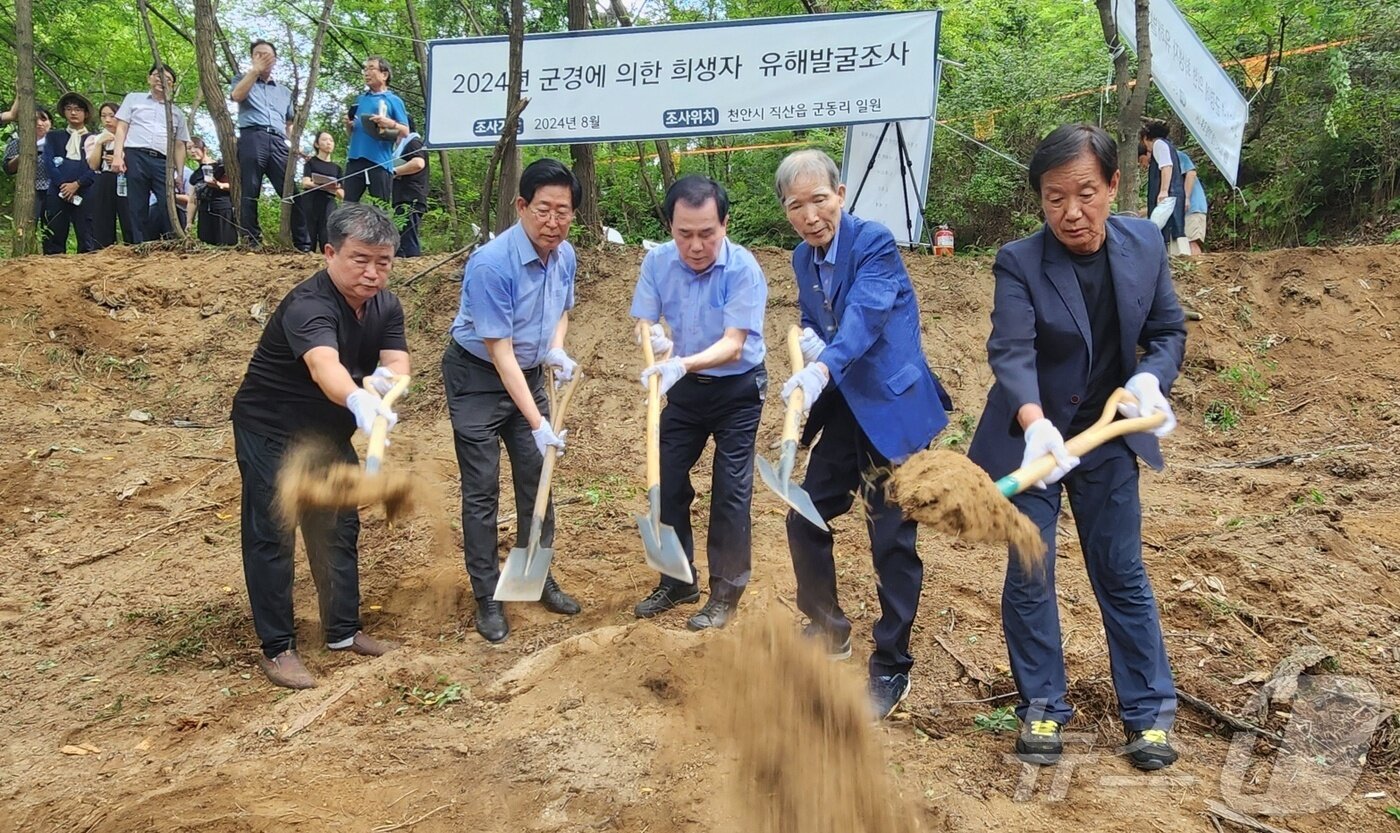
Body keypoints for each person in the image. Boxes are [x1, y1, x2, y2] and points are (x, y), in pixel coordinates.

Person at [965, 123, 1186, 771]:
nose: (1071, 212)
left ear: (1114, 185)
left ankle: (1148, 714)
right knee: (1030, 571)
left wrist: (1150, 378)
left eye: (1086, 193)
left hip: (1108, 435)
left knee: (1120, 571)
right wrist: (1035, 423)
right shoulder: (1020, 261)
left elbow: (1167, 330)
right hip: (1032, 437)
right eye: (1054, 197)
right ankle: (1040, 705)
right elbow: (1010, 348)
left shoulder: (1144, 243)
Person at [773, 148, 952, 720]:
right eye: (796, 206)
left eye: (819, 200)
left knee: (890, 536)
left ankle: (892, 663)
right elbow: (817, 319)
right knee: (805, 515)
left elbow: (867, 316)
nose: (810, 215)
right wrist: (809, 353)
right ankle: (828, 629)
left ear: (841, 194)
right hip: (847, 407)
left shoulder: (873, 241)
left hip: (891, 410)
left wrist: (824, 363)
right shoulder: (803, 258)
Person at [230, 203, 408, 690]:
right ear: (330, 253)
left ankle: (343, 633)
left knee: (337, 524)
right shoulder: (309, 304)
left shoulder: (386, 305)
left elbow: (397, 362)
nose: (372, 273)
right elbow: (323, 366)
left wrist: (388, 388)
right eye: (360, 259)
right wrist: (356, 395)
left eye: (383, 262)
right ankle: (278, 647)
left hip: (328, 432)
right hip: (271, 428)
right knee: (274, 530)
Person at [442, 158, 583, 644]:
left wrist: (556, 347)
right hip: (477, 377)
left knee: (537, 479)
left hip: (526, 372)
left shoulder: (565, 255)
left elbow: (562, 310)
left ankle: (537, 575)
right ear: (521, 206)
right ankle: (487, 595)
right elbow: (498, 353)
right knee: (482, 490)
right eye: (543, 209)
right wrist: (537, 420)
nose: (553, 221)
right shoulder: (491, 264)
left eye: (563, 211)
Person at [630, 175, 768, 631]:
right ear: (669, 225)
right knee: (667, 481)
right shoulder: (657, 263)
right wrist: (653, 341)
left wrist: (680, 363)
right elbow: (646, 321)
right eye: (684, 233)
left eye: (707, 233)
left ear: (725, 223)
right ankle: (677, 580)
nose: (695, 245)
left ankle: (724, 593)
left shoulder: (743, 269)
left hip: (738, 390)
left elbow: (733, 344)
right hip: (685, 391)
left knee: (730, 492)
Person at [229, 39, 311, 251]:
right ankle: (252, 241)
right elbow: (236, 96)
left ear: (275, 60)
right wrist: (254, 71)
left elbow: (289, 123)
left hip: (277, 141)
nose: (263, 58)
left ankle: (302, 244)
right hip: (252, 137)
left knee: (291, 191)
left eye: (267, 55)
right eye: (258, 54)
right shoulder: (241, 79)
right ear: (252, 58)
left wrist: (295, 146)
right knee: (250, 189)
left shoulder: (283, 91)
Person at [112, 64, 190, 242]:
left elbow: (179, 145)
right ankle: (139, 244)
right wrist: (118, 155)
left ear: (172, 85)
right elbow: (121, 128)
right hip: (135, 155)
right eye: (157, 75)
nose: (161, 80)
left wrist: (179, 172)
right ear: (149, 78)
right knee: (136, 202)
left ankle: (172, 241)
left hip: (163, 161)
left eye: (168, 79)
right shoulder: (133, 99)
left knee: (167, 201)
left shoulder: (176, 113)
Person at [343, 56, 409, 204]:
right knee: (348, 207)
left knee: (380, 209)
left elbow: (405, 132)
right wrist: (349, 125)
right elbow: (351, 134)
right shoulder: (360, 100)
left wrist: (389, 123)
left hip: (380, 161)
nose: (366, 73)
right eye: (365, 69)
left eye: (371, 68)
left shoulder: (394, 100)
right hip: (355, 159)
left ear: (384, 75)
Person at [42, 92, 98, 254]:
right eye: (69, 109)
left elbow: (95, 167)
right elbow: (49, 162)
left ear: (86, 113)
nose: (73, 112)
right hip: (57, 191)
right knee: (54, 232)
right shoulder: (53, 137)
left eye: (78, 109)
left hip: (85, 191)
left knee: (87, 234)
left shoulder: (94, 139)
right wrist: (62, 185)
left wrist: (77, 184)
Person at [86, 101, 135, 247]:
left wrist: (119, 158)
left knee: (128, 215)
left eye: (112, 116)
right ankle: (102, 248)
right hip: (104, 178)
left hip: (126, 178)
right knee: (102, 217)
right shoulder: (96, 139)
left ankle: (133, 245)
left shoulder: (131, 137)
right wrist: (99, 144)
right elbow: (93, 165)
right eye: (103, 116)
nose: (107, 120)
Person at [1139, 119, 1186, 251]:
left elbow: (1166, 166)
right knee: (1174, 227)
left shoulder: (1158, 144)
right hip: (1174, 193)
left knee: (1166, 227)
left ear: (1146, 138)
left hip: (1169, 194)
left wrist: (1164, 190)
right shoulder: (1168, 145)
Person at [3, 104, 53, 225]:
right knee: (27, 225)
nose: (40, 123)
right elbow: (8, 168)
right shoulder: (18, 142)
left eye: (43, 119)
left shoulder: (58, 142)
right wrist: (24, 153)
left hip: (53, 191)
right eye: (35, 120)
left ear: (50, 122)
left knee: (53, 229)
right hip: (29, 190)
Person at [301, 131, 345, 252]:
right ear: (317, 144)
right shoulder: (311, 162)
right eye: (324, 140)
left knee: (327, 233)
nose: (328, 143)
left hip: (329, 202)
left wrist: (334, 188)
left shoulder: (337, 168)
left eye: (331, 140)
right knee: (310, 232)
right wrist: (323, 185)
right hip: (311, 200)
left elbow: (342, 194)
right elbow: (305, 182)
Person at [391, 121, 429, 257]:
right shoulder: (402, 146)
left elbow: (418, 163)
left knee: (408, 237)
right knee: (401, 237)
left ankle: (413, 263)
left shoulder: (413, 142)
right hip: (403, 197)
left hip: (411, 197)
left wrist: (394, 171)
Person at [189, 138, 237, 246]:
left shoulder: (221, 167)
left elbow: (235, 186)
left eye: (195, 147)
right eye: (189, 148)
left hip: (223, 210)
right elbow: (192, 200)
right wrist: (189, 222)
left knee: (227, 246)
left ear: (204, 149)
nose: (192, 151)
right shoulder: (195, 175)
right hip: (204, 212)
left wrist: (219, 185)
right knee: (206, 245)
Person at [1177, 149, 1207, 256]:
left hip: (1193, 207)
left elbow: (1191, 173)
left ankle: (1197, 268)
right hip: (1185, 210)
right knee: (1186, 243)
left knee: (1192, 242)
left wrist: (1187, 197)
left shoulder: (1178, 156)